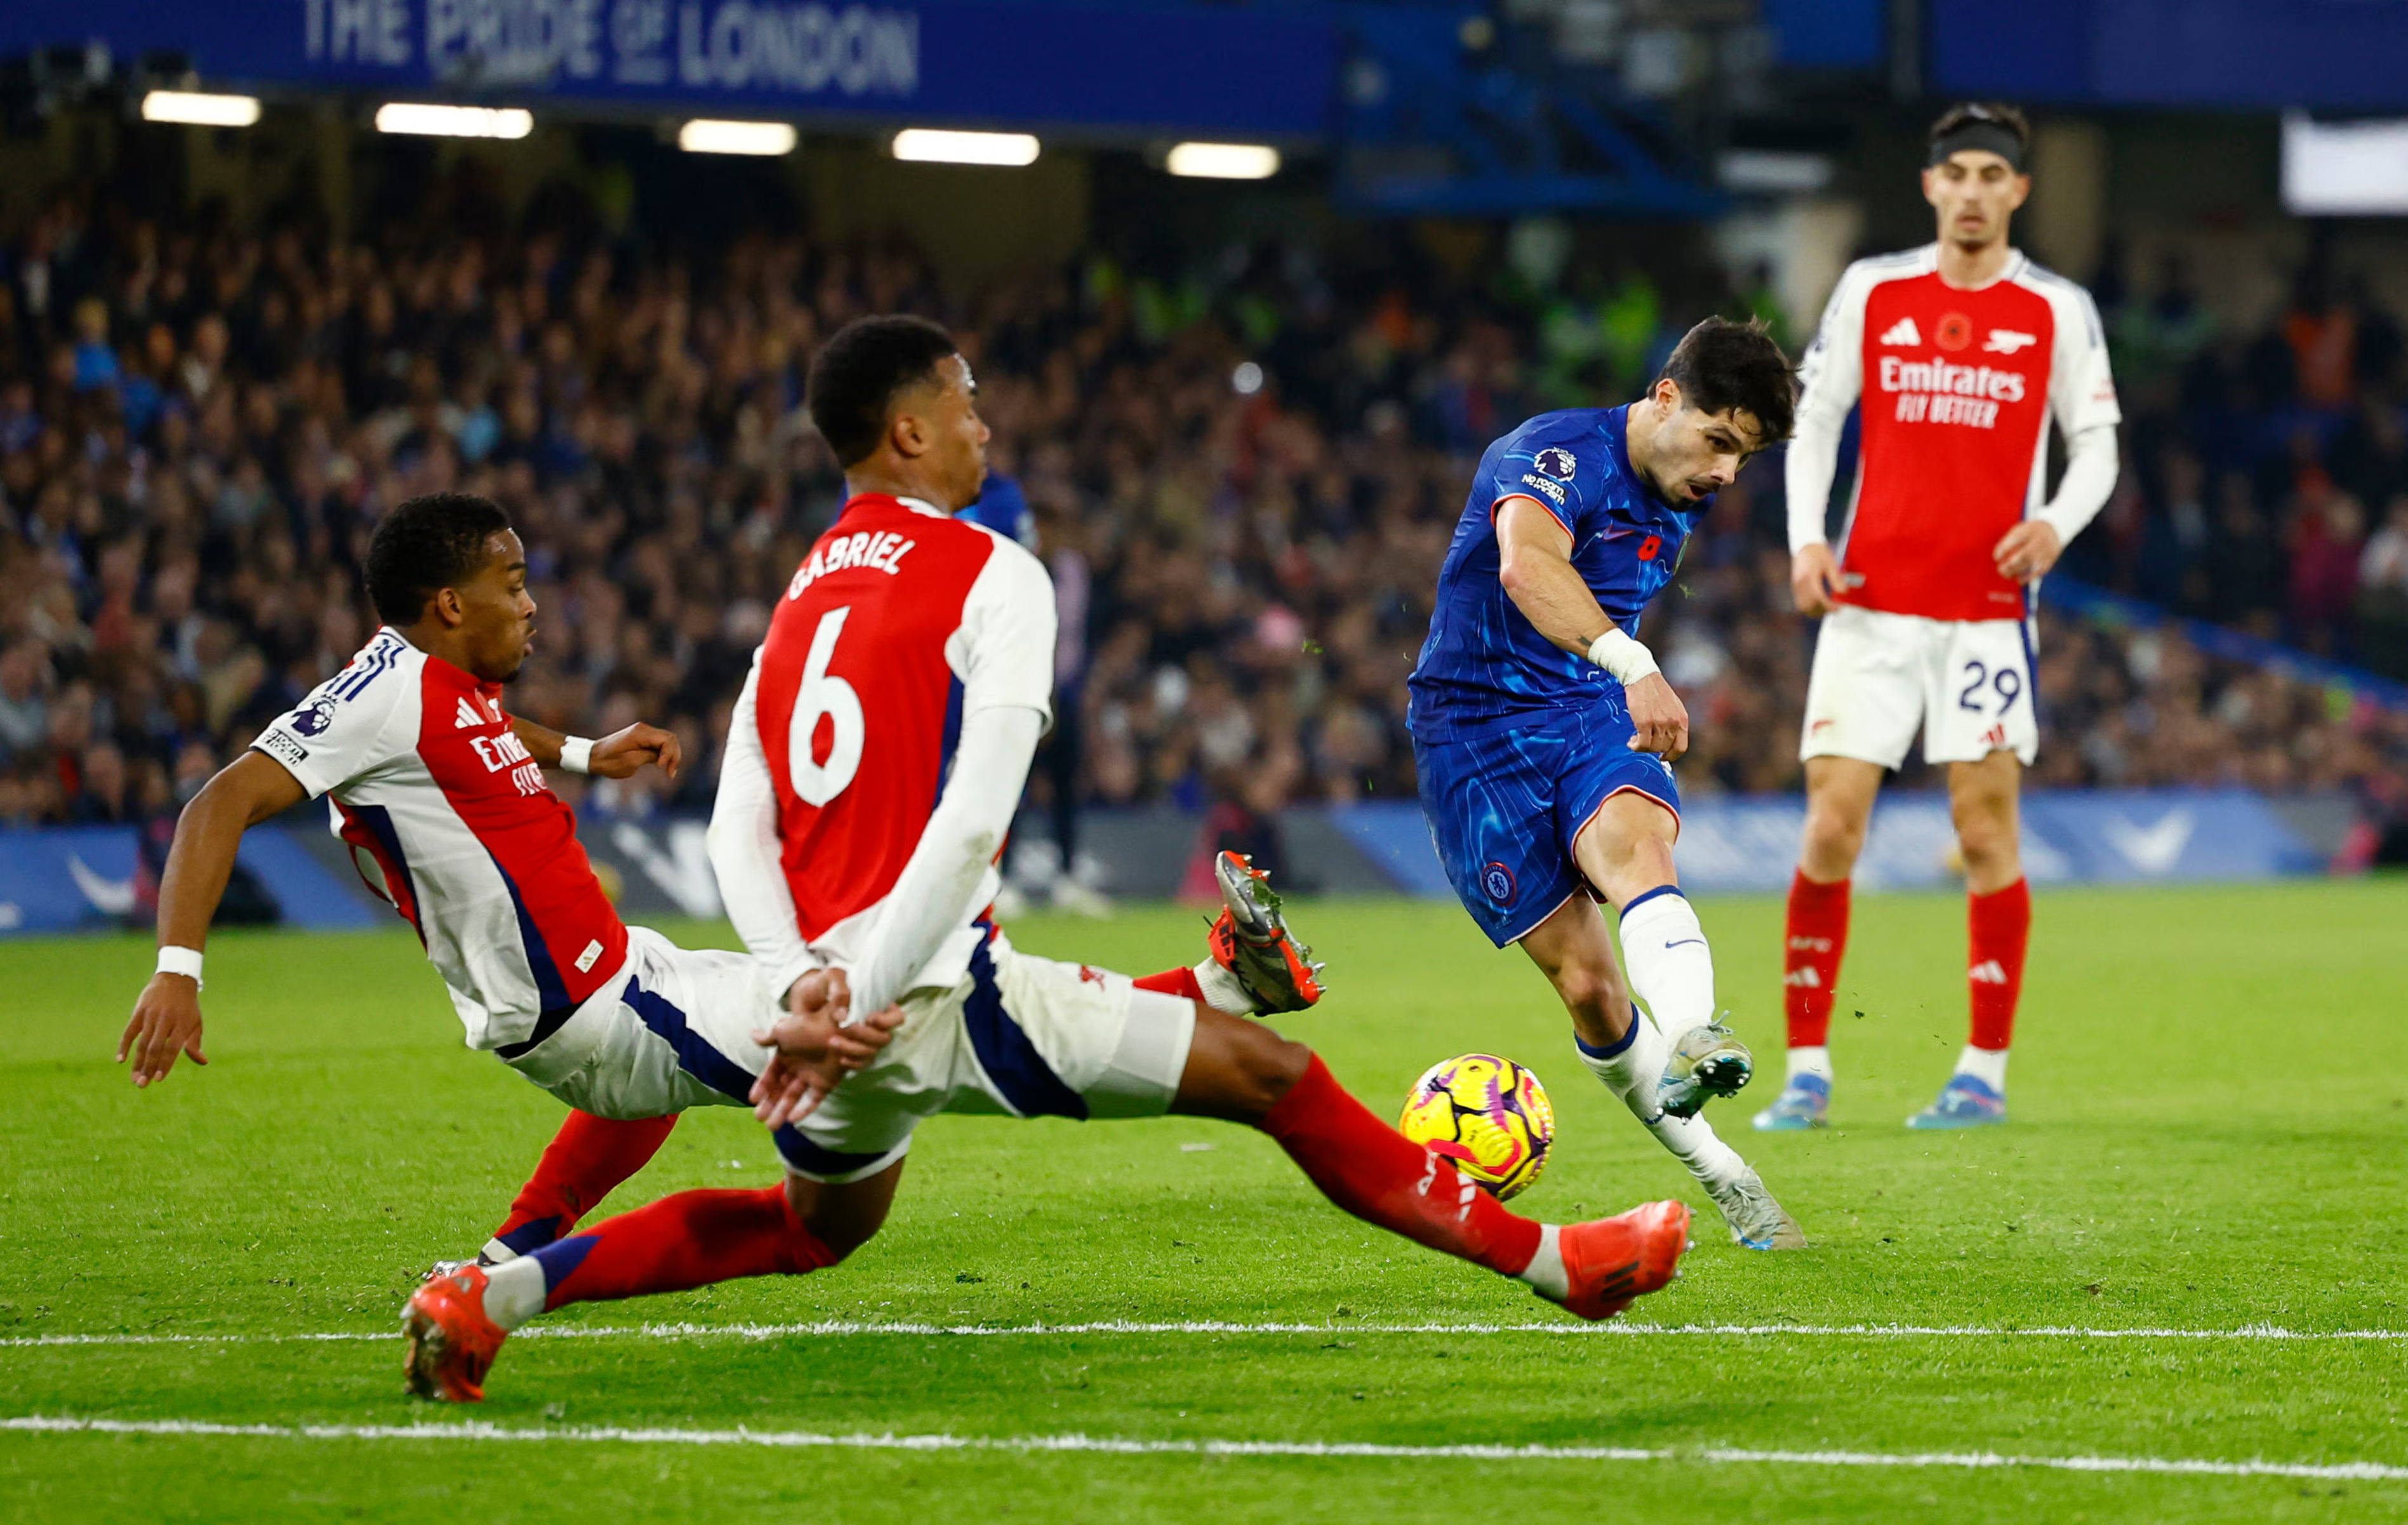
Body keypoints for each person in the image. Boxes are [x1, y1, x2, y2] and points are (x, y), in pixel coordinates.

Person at [400, 316, 1697, 1402]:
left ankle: (492, 1292)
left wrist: (803, 977)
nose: (985, 423)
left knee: (814, 1228)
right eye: (966, 402)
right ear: (906, 431)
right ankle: (1564, 1267)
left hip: (825, 991)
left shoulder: (802, 588)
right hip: (920, 992)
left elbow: (740, 810)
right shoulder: (998, 574)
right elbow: (970, 822)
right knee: (1279, 1079)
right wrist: (865, 988)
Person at [1406, 315, 1806, 1251]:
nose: (1723, 475)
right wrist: (1636, 663)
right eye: (1718, 441)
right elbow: (1527, 566)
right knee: (1588, 985)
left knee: (1637, 843)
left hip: (1586, 706)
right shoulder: (1552, 452)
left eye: (1743, 458)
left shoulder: (1686, 488)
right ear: (1665, 396)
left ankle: (1699, 1032)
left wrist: (1619, 676)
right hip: (1470, 733)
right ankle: (1727, 1172)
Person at [1763, 102, 2120, 1131]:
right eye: (1954, 173)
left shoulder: (2057, 309)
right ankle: (1807, 1072)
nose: (1971, 191)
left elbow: (2095, 444)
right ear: (1931, 187)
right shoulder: (1875, 288)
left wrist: (2053, 524)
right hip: (1869, 605)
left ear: (2018, 190)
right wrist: (1806, 541)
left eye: (1989, 175)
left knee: (1984, 827)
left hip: (1985, 614)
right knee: (1831, 827)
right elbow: (1816, 420)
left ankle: (1982, 1072)